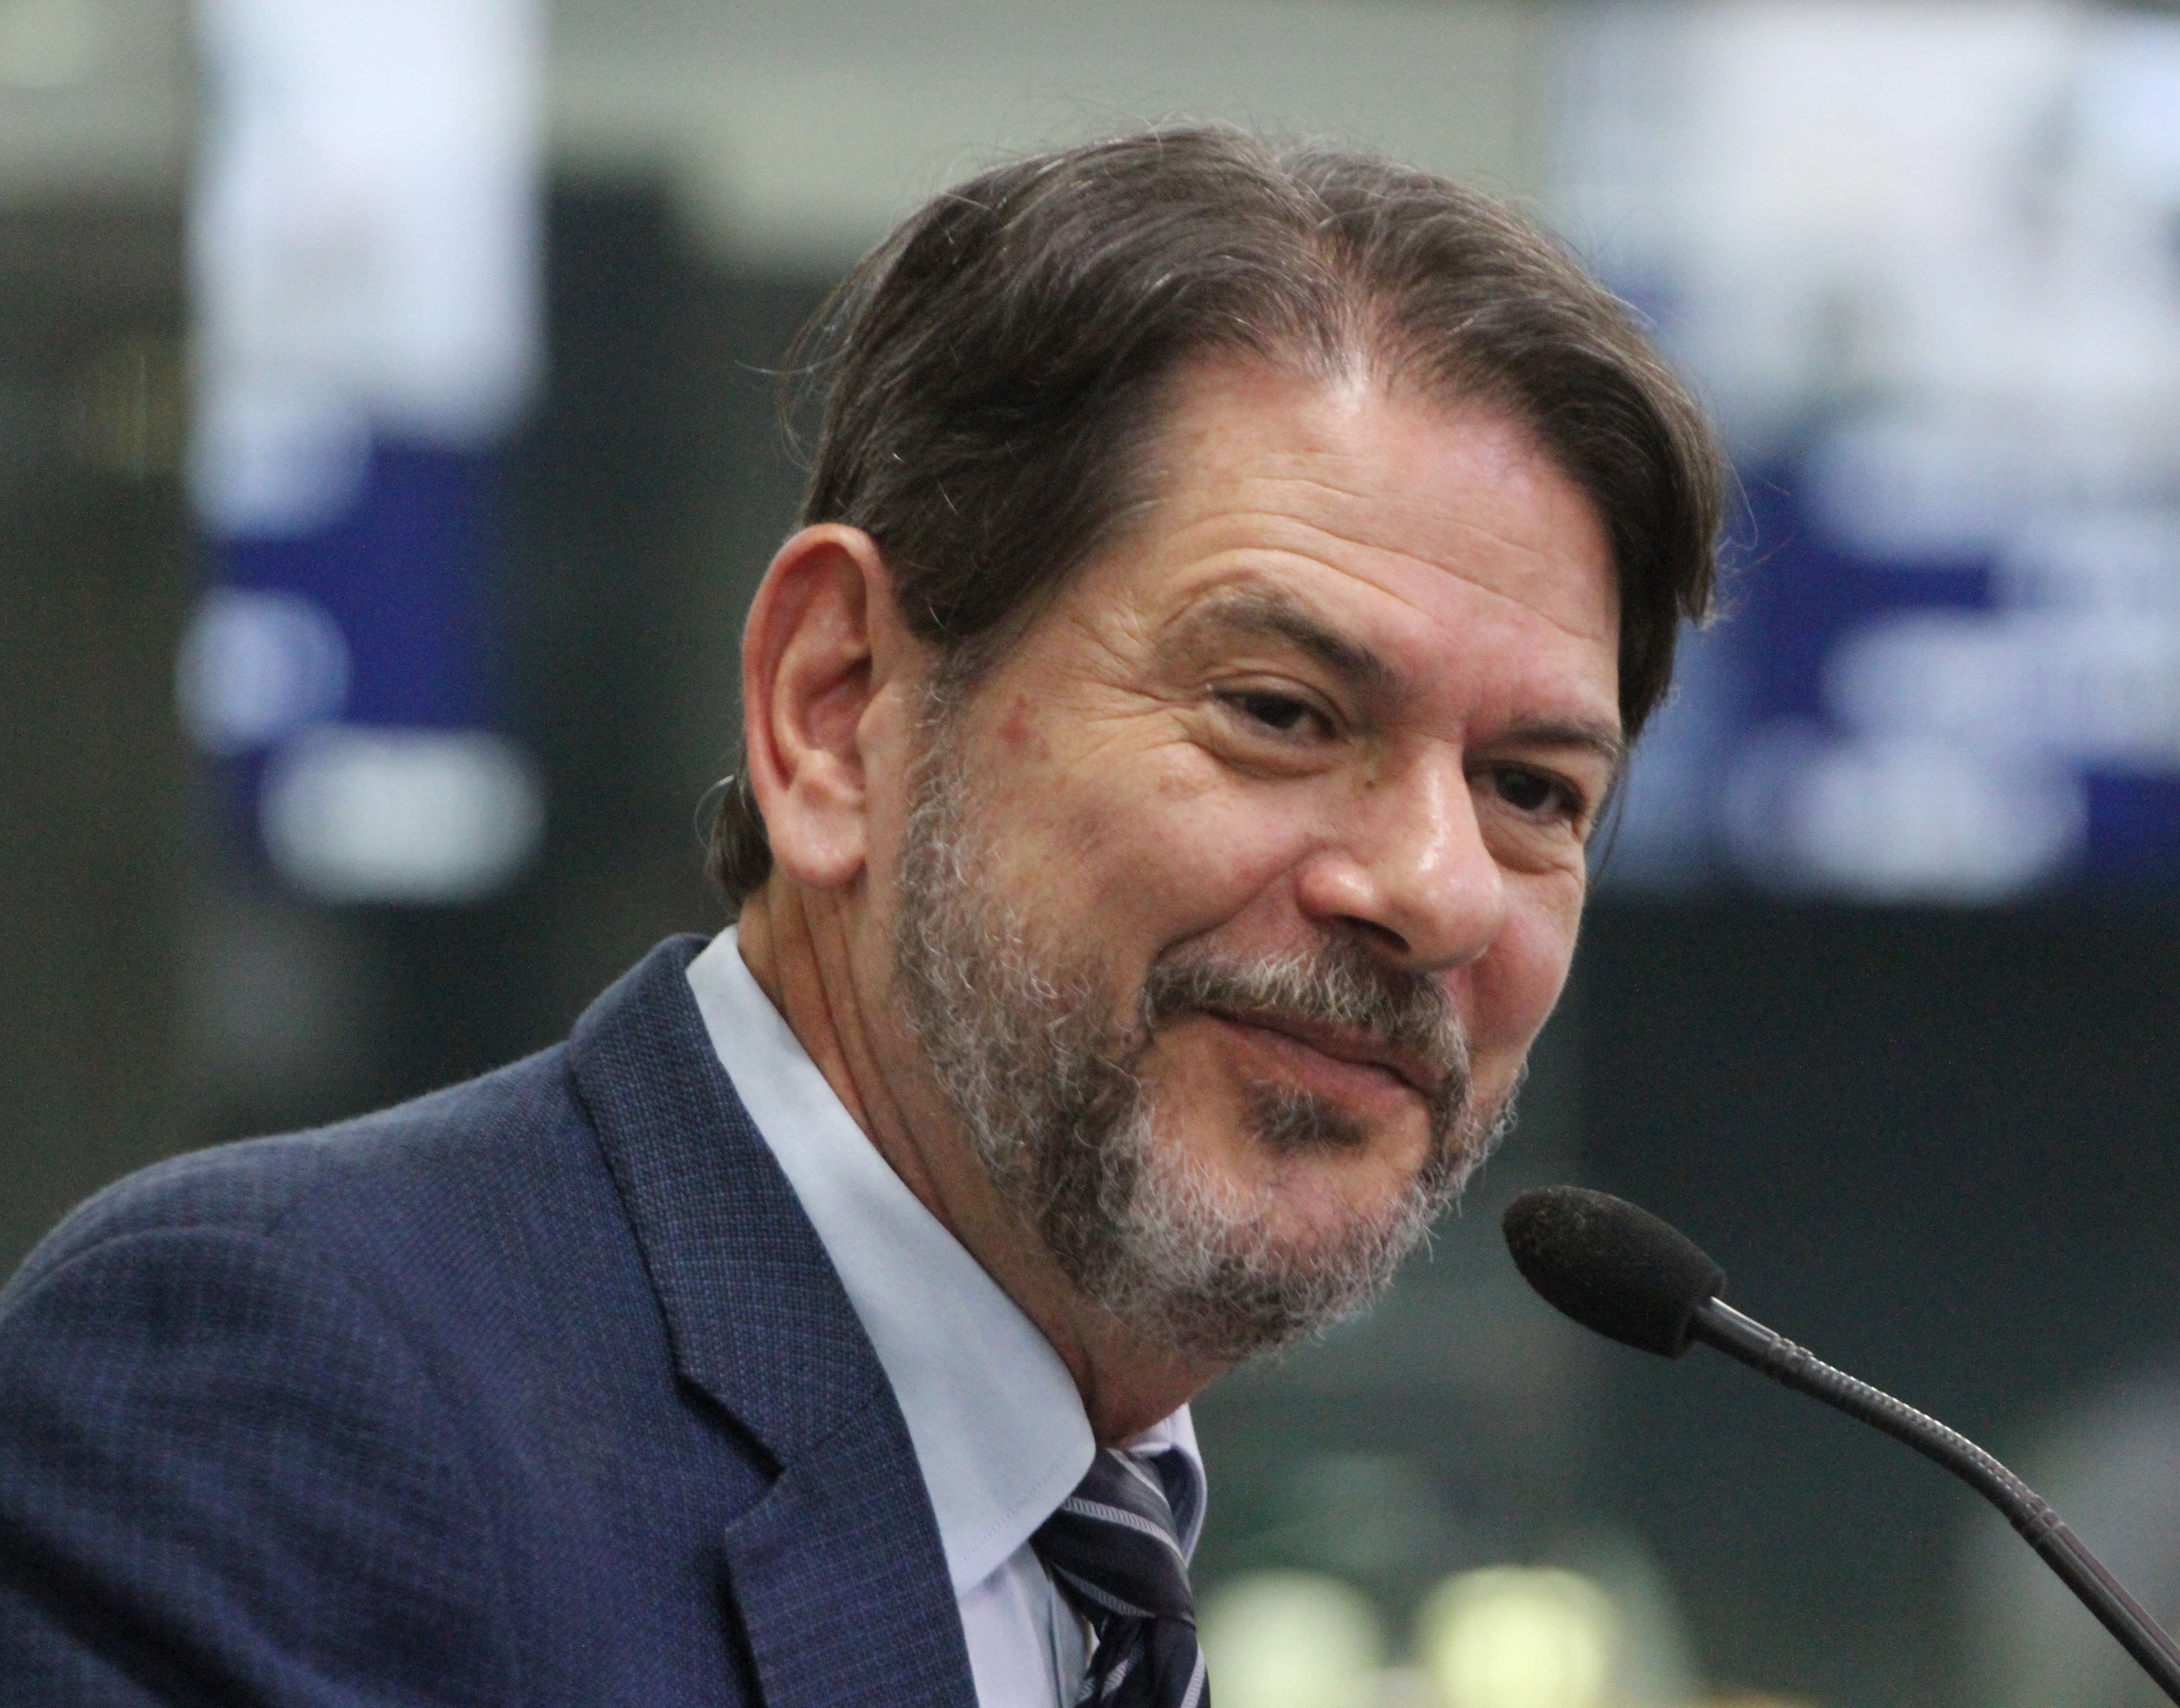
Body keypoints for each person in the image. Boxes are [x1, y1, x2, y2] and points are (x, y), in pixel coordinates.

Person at [0, 128, 1722, 1707]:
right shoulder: (283, 1390)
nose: (1435, 890)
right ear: (837, 708)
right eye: (1279, 711)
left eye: (1533, 791)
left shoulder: (1105, 1552)